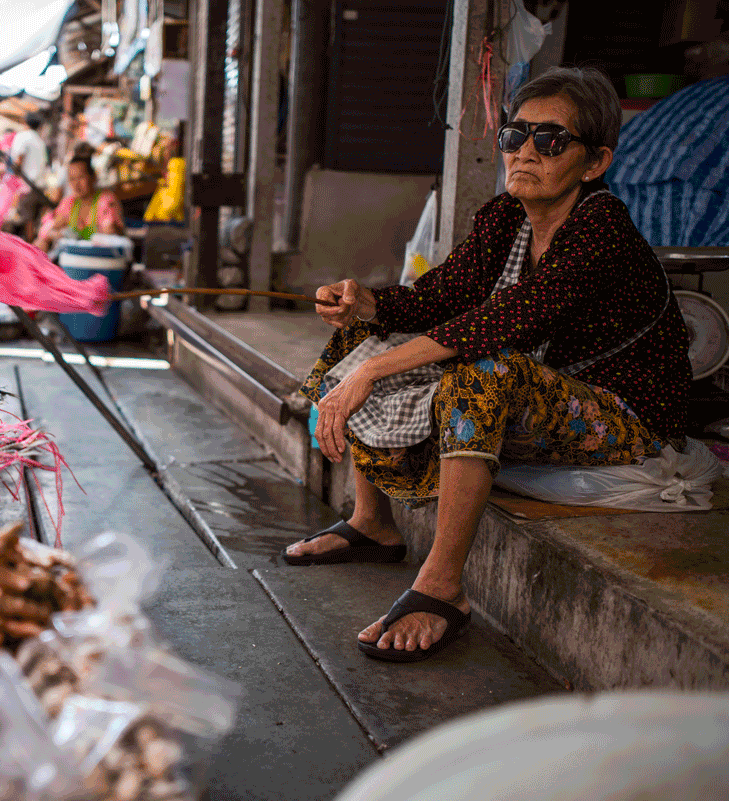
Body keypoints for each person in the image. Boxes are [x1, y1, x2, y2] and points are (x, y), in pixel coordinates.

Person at [281, 67, 691, 663]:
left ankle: (443, 588)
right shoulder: (505, 218)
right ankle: (372, 524)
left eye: (550, 140)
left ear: (594, 162)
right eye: (514, 136)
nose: (525, 152)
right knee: (365, 335)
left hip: (624, 419)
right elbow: (437, 297)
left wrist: (373, 373)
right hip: (541, 393)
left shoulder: (601, 229)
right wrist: (363, 303)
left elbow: (507, 322)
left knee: (482, 373)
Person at [33, 156, 125, 251]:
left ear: (93, 177)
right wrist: (57, 234)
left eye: (81, 177)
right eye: (72, 179)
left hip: (100, 258)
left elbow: (113, 232)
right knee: (39, 244)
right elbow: (47, 230)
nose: (76, 184)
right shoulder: (69, 203)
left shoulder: (106, 201)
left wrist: (110, 229)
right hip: (73, 260)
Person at [7, 113, 50, 242]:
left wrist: (13, 176)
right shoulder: (40, 141)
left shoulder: (23, 137)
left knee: (27, 221)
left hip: (27, 186)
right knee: (33, 222)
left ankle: (28, 250)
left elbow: (19, 159)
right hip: (39, 186)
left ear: (25, 123)